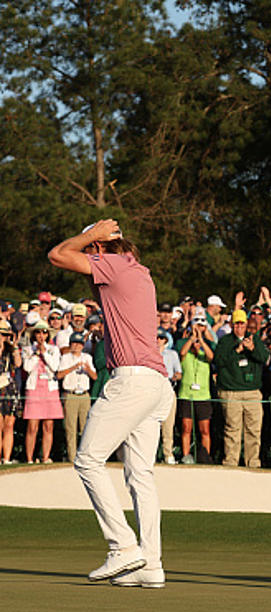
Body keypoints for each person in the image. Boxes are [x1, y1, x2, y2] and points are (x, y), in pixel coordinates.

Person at [48, 219, 175, 588]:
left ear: (100, 249)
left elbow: (58, 255)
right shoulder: (136, 268)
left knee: (87, 459)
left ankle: (123, 547)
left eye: (91, 252)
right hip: (155, 385)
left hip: (132, 382)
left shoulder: (114, 264)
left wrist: (92, 237)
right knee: (140, 477)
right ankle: (150, 564)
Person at [214, 309, 269, 468]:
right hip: (231, 392)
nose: (239, 327)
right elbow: (219, 361)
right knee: (232, 430)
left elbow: (264, 358)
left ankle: (253, 462)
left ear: (246, 325)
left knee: (253, 430)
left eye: (242, 324)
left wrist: (252, 349)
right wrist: (237, 350)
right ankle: (231, 461)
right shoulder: (225, 341)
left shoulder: (255, 340)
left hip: (252, 392)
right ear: (232, 324)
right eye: (236, 324)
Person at [21, 320, 63, 463]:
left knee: (48, 425)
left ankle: (45, 457)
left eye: (44, 332)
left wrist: (44, 353)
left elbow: (55, 366)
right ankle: (29, 458)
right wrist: (36, 353)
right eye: (38, 332)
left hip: (50, 388)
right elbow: (27, 367)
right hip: (34, 389)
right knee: (32, 426)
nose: (41, 335)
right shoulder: (28, 349)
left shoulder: (53, 349)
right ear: (34, 334)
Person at [176, 318, 214, 464]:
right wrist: (192, 338)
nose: (196, 344)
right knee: (186, 428)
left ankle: (205, 456)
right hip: (186, 395)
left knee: (205, 430)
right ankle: (186, 456)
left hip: (203, 397)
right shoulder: (187, 356)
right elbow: (182, 352)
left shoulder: (205, 356)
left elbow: (212, 356)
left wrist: (202, 340)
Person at [57, 332, 97, 462]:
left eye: (79, 344)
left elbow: (94, 377)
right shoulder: (65, 357)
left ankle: (85, 457)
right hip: (71, 394)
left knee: (86, 428)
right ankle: (72, 457)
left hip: (84, 394)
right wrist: (73, 367)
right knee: (70, 428)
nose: (76, 346)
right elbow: (59, 375)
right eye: (74, 343)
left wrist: (87, 369)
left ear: (83, 345)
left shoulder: (87, 357)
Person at [157, 328, 181, 465]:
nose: (158, 340)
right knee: (151, 425)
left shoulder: (172, 354)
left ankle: (168, 454)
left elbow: (179, 372)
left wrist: (175, 377)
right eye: (157, 338)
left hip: (168, 390)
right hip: (152, 391)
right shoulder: (149, 353)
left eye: (161, 338)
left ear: (165, 340)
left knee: (168, 425)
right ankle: (151, 454)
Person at [0, 319, 22, 464]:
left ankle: (6, 458)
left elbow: (18, 363)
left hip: (9, 388)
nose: (3, 337)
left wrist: (13, 347)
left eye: (5, 334)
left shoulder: (9, 349)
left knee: (9, 425)